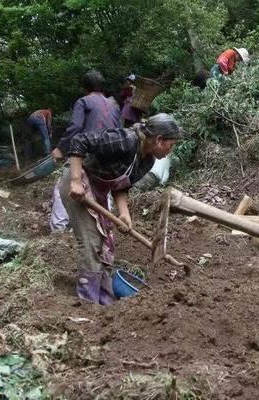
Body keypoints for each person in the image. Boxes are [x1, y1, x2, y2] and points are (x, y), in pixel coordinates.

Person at [60, 113, 184, 305]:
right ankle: (88, 302)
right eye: (171, 144)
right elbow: (79, 141)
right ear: (159, 140)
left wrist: (124, 213)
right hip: (79, 183)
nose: (171, 150)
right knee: (91, 241)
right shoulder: (124, 140)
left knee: (106, 242)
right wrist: (75, 181)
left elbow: (121, 186)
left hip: (99, 189)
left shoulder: (148, 160)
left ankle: (105, 298)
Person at [49, 69, 121, 232]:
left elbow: (75, 127)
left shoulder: (84, 101)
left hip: (86, 153)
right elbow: (118, 131)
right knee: (102, 189)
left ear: (85, 88)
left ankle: (58, 230)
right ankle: (105, 225)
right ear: (102, 87)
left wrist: (61, 148)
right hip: (108, 155)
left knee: (64, 186)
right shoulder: (114, 105)